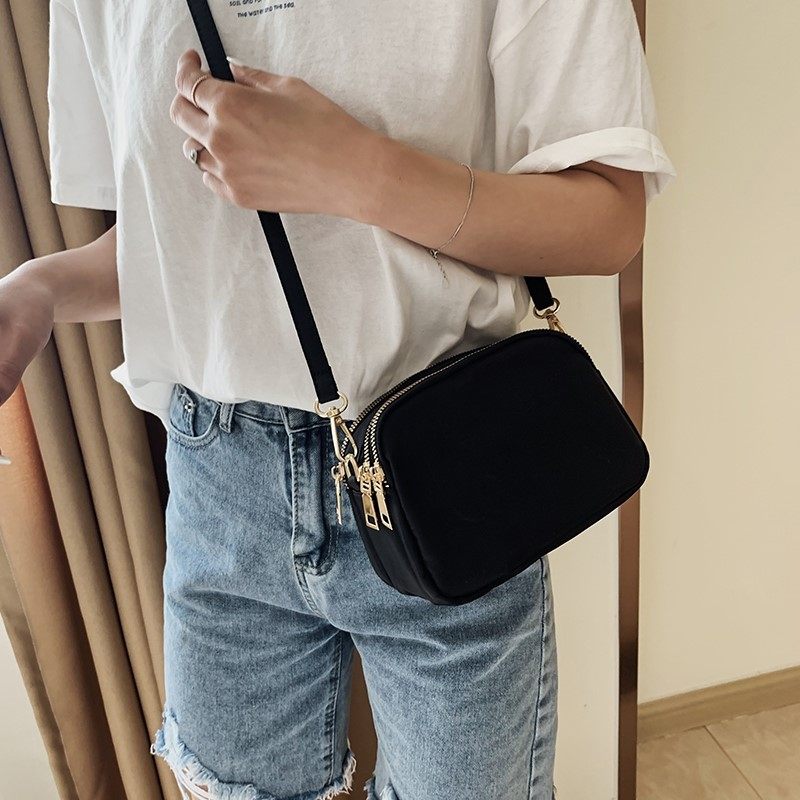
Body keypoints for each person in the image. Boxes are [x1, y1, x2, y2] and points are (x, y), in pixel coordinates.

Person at [0, 0, 675, 798]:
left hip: (447, 468)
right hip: (221, 487)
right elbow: (176, 245)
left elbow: (608, 219)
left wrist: (358, 172)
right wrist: (40, 288)